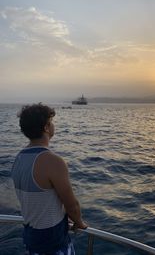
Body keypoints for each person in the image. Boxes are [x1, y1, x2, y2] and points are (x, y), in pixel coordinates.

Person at [12, 103, 87, 255]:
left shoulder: (18, 158)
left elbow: (39, 200)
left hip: (31, 238)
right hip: (52, 242)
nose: (53, 125)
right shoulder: (53, 161)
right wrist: (79, 222)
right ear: (46, 127)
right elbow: (72, 205)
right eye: (51, 122)